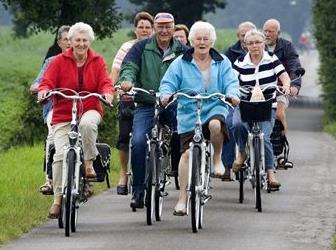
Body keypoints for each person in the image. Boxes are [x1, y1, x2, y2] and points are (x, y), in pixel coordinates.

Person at [160, 21, 240, 215]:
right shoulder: (180, 62)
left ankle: (217, 158)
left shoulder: (222, 61)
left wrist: (232, 94)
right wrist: (166, 94)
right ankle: (182, 199)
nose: (202, 42)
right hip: (189, 111)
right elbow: (168, 82)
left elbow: (231, 82)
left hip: (214, 105)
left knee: (215, 125)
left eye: (206, 39)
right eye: (198, 38)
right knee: (186, 154)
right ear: (191, 40)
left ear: (212, 41)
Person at [38, 22, 114, 219]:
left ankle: (89, 163)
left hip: (89, 107)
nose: (81, 44)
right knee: (59, 155)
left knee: (87, 125)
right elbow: (47, 81)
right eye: (77, 40)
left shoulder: (97, 61)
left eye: (84, 40)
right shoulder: (58, 61)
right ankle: (57, 201)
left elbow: (105, 82)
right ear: (70, 42)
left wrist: (106, 93)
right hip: (63, 112)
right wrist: (44, 91)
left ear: (90, 41)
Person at [119, 12, 188, 209]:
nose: (164, 30)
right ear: (154, 28)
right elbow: (129, 67)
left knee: (179, 134)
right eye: (161, 26)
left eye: (168, 26)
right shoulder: (141, 47)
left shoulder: (182, 49)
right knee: (139, 141)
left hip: (173, 102)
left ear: (174, 28)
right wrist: (127, 80)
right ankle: (139, 190)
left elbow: (192, 71)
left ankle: (176, 168)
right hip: (146, 102)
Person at [231, 29, 291, 189]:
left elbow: (283, 75)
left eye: (258, 42)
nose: (255, 46)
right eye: (250, 43)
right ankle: (242, 152)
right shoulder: (240, 62)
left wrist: (285, 85)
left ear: (263, 43)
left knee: (264, 137)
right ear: (245, 45)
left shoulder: (271, 59)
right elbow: (231, 80)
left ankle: (271, 174)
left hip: (266, 105)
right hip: (244, 104)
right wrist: (232, 93)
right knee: (237, 125)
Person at [111, 11, 154, 195]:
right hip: (129, 98)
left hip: (149, 99)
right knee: (124, 137)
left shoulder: (155, 48)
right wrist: (112, 90)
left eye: (147, 27)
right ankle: (123, 173)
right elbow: (115, 72)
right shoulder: (126, 47)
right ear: (135, 30)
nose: (144, 30)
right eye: (141, 27)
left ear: (152, 30)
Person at [30, 25, 71, 195]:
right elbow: (36, 84)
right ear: (59, 42)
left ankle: (84, 173)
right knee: (53, 135)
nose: (69, 42)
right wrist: (41, 88)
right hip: (55, 107)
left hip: (79, 106)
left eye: (72, 39)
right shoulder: (51, 62)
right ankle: (50, 179)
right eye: (65, 39)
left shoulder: (84, 60)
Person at [222, 21, 256, 181]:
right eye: (243, 35)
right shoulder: (230, 53)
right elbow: (225, 75)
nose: (247, 38)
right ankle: (227, 165)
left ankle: (266, 162)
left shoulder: (262, 52)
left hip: (257, 99)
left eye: (250, 34)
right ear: (239, 36)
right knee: (229, 123)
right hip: (234, 98)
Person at [263, 19, 302, 134]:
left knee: (279, 114)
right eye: (265, 31)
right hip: (260, 88)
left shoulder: (287, 46)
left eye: (271, 31)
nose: (267, 34)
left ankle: (282, 136)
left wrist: (294, 85)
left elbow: (294, 65)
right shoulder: (258, 45)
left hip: (280, 89)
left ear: (278, 33)